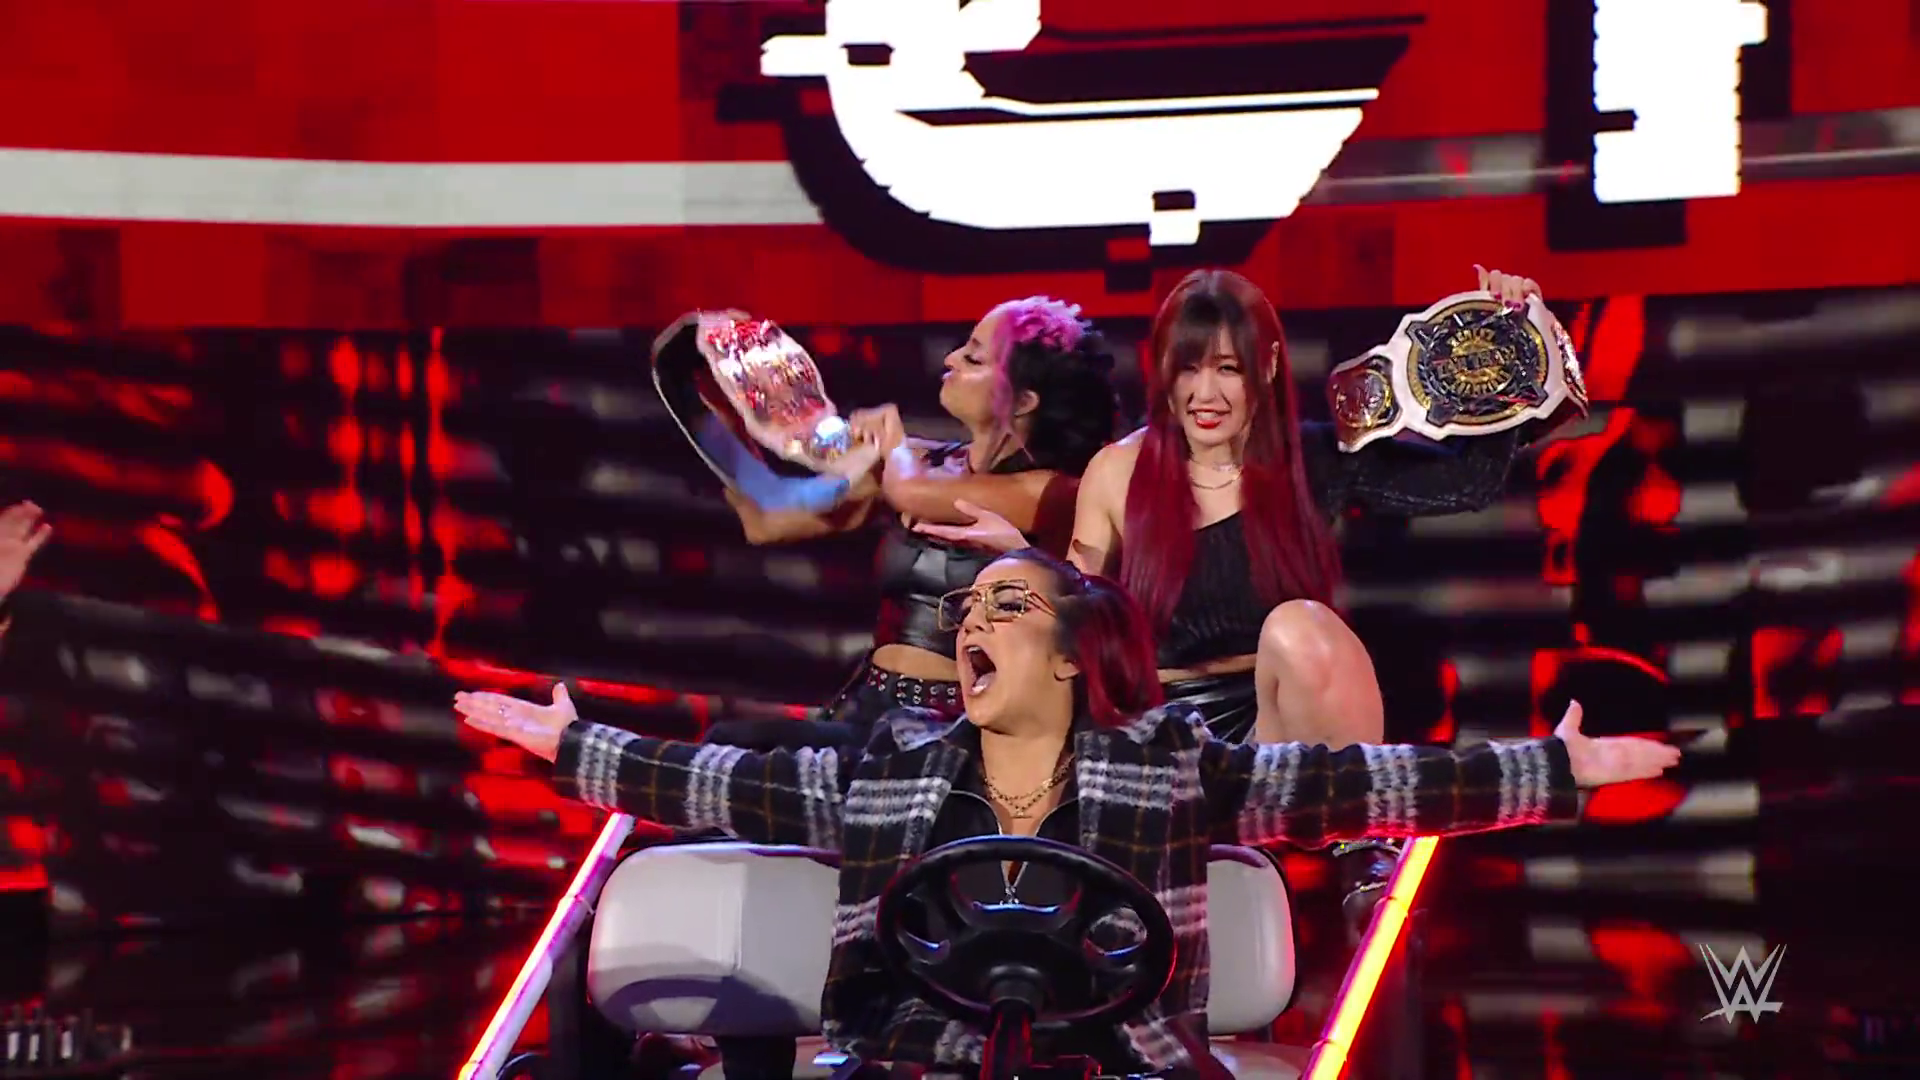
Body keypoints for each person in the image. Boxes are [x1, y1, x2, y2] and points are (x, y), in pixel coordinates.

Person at [454, 548, 1680, 1079]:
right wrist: (571, 746)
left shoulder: (1170, 768)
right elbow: (714, 783)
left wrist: (1556, 771)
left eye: (1006, 607)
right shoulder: (886, 773)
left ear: (1070, 655)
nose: (970, 628)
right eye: (968, 613)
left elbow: (1360, 785)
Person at [917, 266, 1548, 750]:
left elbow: (1466, 485)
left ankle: (1359, 844)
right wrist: (1023, 561)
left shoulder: (1311, 460)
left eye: (1227, 368)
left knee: (1300, 626)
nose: (1205, 394)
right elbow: (1082, 611)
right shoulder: (1118, 472)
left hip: (1284, 722)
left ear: (1267, 366)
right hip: (1164, 735)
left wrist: (1513, 345)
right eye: (1187, 369)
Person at [700, 296, 1118, 751]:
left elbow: (912, 493)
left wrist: (892, 445)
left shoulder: (1050, 491)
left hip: (952, 727)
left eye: (973, 358)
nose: (950, 359)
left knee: (735, 749)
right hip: (867, 708)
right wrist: (714, 404)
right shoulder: (917, 463)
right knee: (726, 751)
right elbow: (766, 519)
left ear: (1023, 401)